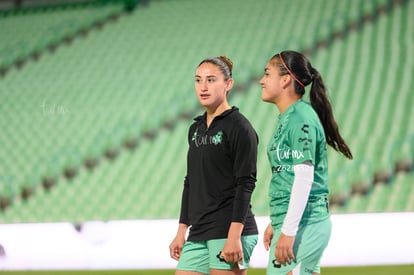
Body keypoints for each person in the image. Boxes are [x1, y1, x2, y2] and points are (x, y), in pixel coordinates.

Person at [259, 50, 353, 275]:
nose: (262, 80)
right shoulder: (290, 117)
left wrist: (289, 231)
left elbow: (303, 178)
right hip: (296, 222)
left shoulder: (301, 118)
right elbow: (288, 176)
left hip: (306, 224)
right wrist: (278, 222)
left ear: (285, 80)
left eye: (267, 74)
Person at [169, 56, 259, 275]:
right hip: (199, 231)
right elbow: (190, 183)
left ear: (228, 84)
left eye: (211, 80)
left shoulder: (240, 128)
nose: (203, 87)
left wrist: (234, 236)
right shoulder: (196, 129)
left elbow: (245, 183)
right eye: (198, 80)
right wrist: (181, 230)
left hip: (230, 229)